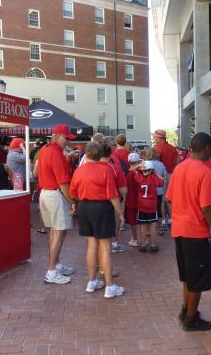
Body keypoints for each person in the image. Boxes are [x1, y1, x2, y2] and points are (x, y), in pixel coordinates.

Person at [166, 132, 211, 332]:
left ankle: (186, 310)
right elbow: (207, 208)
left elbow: (170, 198)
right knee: (197, 280)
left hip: (179, 229)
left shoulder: (179, 168)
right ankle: (191, 319)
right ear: (207, 148)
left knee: (188, 277)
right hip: (195, 232)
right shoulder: (204, 171)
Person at [69, 142, 125, 298]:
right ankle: (109, 286)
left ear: (86, 154)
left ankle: (92, 281)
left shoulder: (79, 171)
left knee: (91, 245)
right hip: (101, 207)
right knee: (105, 246)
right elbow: (113, 195)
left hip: (84, 207)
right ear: (101, 155)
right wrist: (120, 213)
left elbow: (73, 192)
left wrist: (74, 206)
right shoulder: (105, 169)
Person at [37, 124, 77, 284]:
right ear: (58, 136)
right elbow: (63, 184)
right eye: (66, 138)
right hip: (55, 194)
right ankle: (52, 271)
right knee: (58, 232)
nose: (67, 141)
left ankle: (56, 265)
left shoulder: (45, 149)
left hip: (46, 193)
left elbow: (39, 171)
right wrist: (73, 201)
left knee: (55, 231)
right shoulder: (56, 153)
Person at [134, 160, 164, 253]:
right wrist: (156, 173)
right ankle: (153, 245)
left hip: (142, 205)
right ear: (151, 170)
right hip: (152, 206)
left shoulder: (138, 177)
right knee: (152, 225)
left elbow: (133, 171)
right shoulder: (153, 178)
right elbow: (162, 182)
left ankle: (143, 245)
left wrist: (139, 167)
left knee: (143, 225)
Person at [153, 129, 179, 228]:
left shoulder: (157, 148)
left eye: (155, 137)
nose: (154, 138)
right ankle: (172, 220)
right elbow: (178, 162)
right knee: (170, 199)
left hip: (161, 175)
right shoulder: (172, 148)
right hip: (172, 175)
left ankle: (163, 221)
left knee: (161, 199)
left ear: (160, 138)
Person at [145, 147, 167, 236]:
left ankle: (147, 230)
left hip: (149, 190)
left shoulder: (146, 164)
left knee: (148, 210)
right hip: (159, 191)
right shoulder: (161, 164)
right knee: (159, 209)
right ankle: (160, 229)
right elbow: (164, 177)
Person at [125, 153, 142, 247]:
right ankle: (142, 238)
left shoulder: (129, 173)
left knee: (133, 222)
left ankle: (135, 238)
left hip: (131, 200)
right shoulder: (140, 172)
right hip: (140, 199)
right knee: (141, 221)